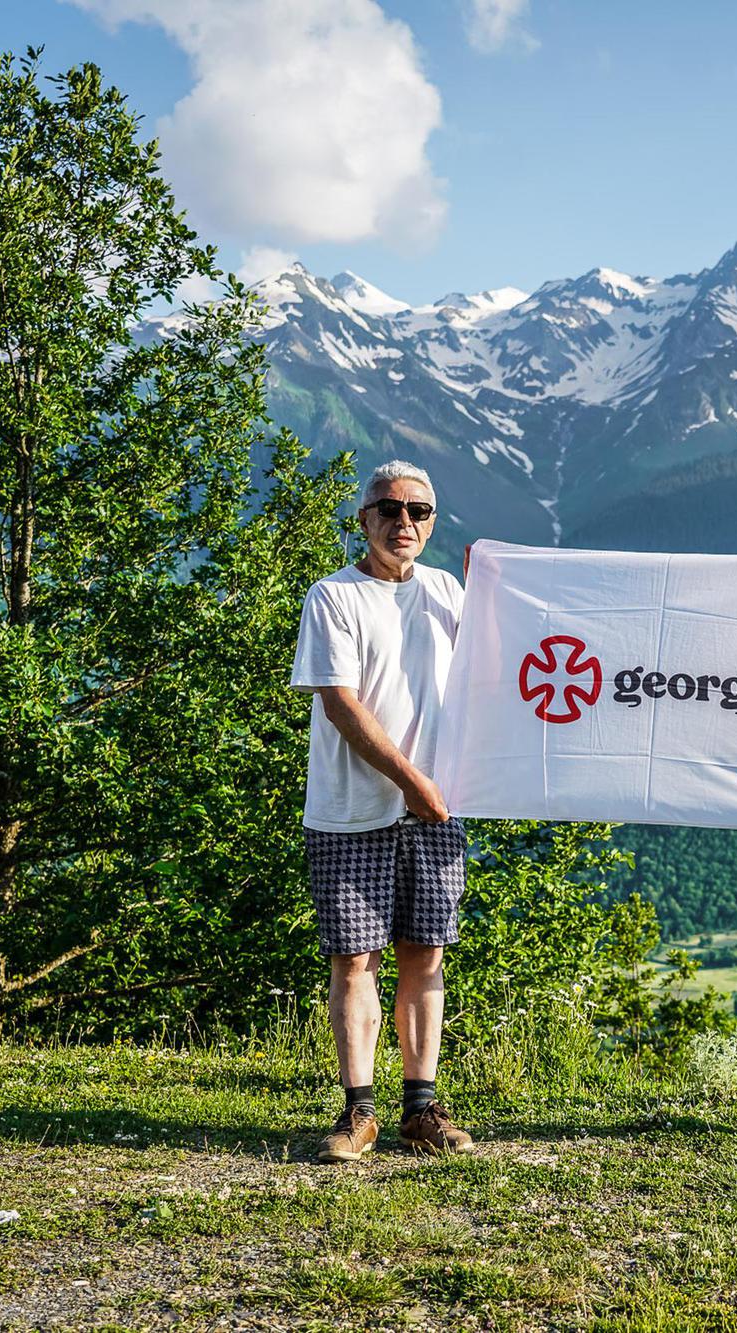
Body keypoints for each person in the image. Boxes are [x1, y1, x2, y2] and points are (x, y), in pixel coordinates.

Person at [290, 460, 475, 1160]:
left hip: (438, 804)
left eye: (419, 511)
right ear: (363, 520)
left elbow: (491, 672)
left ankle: (420, 1108)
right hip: (352, 808)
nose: (405, 523)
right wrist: (412, 782)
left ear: (431, 521)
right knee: (354, 961)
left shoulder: (448, 591)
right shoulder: (333, 596)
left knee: (425, 956)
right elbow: (339, 703)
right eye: (390, 509)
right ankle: (357, 1111)